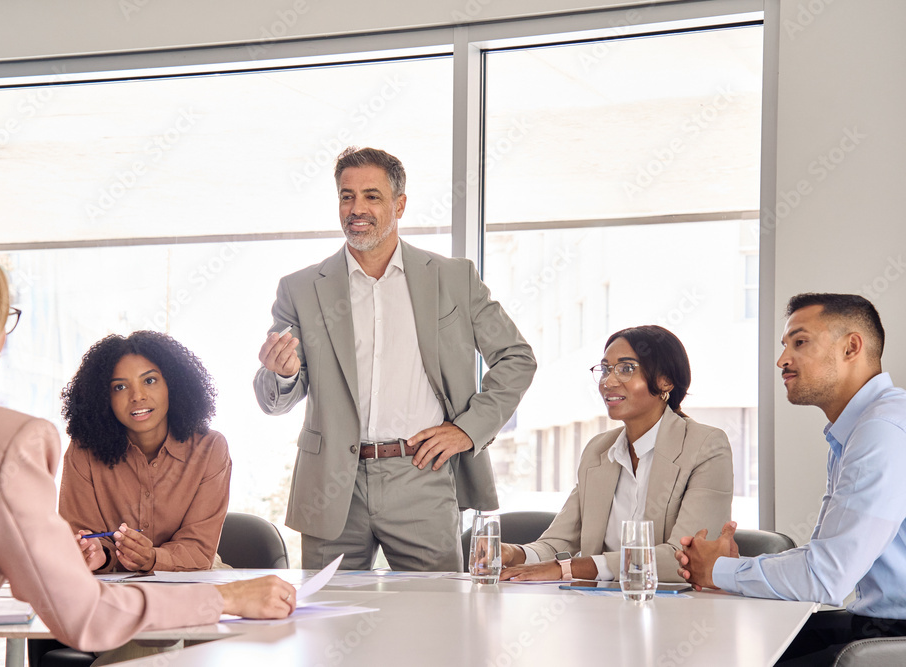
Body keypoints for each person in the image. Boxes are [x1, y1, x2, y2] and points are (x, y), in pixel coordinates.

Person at [0, 239, 294, 667]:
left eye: (150, 381)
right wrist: (226, 597)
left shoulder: (209, 447)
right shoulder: (10, 439)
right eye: (4, 318)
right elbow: (84, 614)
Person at [254, 146, 536, 571]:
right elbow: (273, 398)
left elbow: (516, 358)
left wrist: (466, 430)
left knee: (435, 621)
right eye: (346, 196)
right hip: (332, 484)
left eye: (372, 196)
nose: (357, 208)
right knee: (329, 622)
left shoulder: (453, 279)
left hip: (420, 475)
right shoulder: (300, 289)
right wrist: (285, 374)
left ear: (399, 204)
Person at [675, 293, 906, 665]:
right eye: (785, 346)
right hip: (875, 623)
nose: (782, 360)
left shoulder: (883, 430)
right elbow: (822, 559)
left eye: (800, 342)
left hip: (895, 635)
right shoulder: (857, 428)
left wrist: (719, 570)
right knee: (737, 641)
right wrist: (731, 571)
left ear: (851, 347)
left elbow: (826, 578)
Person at [499, 325, 733, 582]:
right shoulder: (598, 451)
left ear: (665, 380)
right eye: (605, 369)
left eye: (626, 369)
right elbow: (557, 545)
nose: (608, 382)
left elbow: (683, 559)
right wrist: (513, 552)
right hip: (598, 607)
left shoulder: (705, 446)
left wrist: (569, 569)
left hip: (672, 610)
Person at [60, 331, 230, 574]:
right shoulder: (83, 452)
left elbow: (199, 550)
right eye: (119, 387)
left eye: (149, 381)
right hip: (112, 589)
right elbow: (83, 539)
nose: (137, 396)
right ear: (103, 397)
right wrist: (98, 553)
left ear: (173, 384)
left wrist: (153, 558)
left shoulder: (210, 448)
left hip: (194, 580)